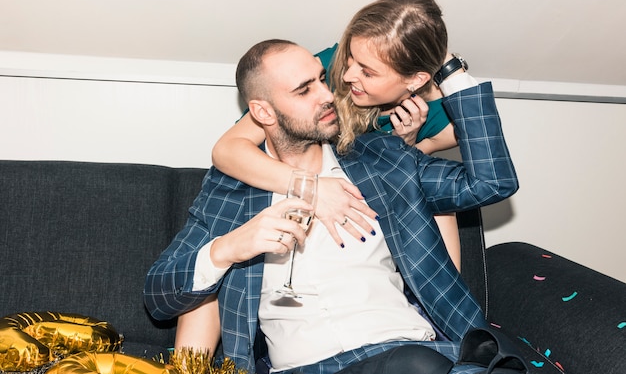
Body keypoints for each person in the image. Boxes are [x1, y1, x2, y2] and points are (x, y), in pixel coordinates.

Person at [144, 39, 518, 373]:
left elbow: (491, 182)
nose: (327, 95)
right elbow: (159, 296)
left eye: (322, 79)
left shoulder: (381, 161)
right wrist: (231, 247)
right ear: (263, 113)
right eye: (304, 90)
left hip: (406, 351)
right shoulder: (230, 191)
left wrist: (447, 68)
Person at [211, 0, 476, 271]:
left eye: (368, 72)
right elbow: (227, 150)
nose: (348, 75)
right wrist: (311, 188)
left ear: (415, 79)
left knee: (440, 199)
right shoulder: (326, 68)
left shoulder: (444, 122)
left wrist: (405, 144)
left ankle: (439, 311)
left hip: (365, 203)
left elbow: (413, 177)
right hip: (299, 189)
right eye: (351, 58)